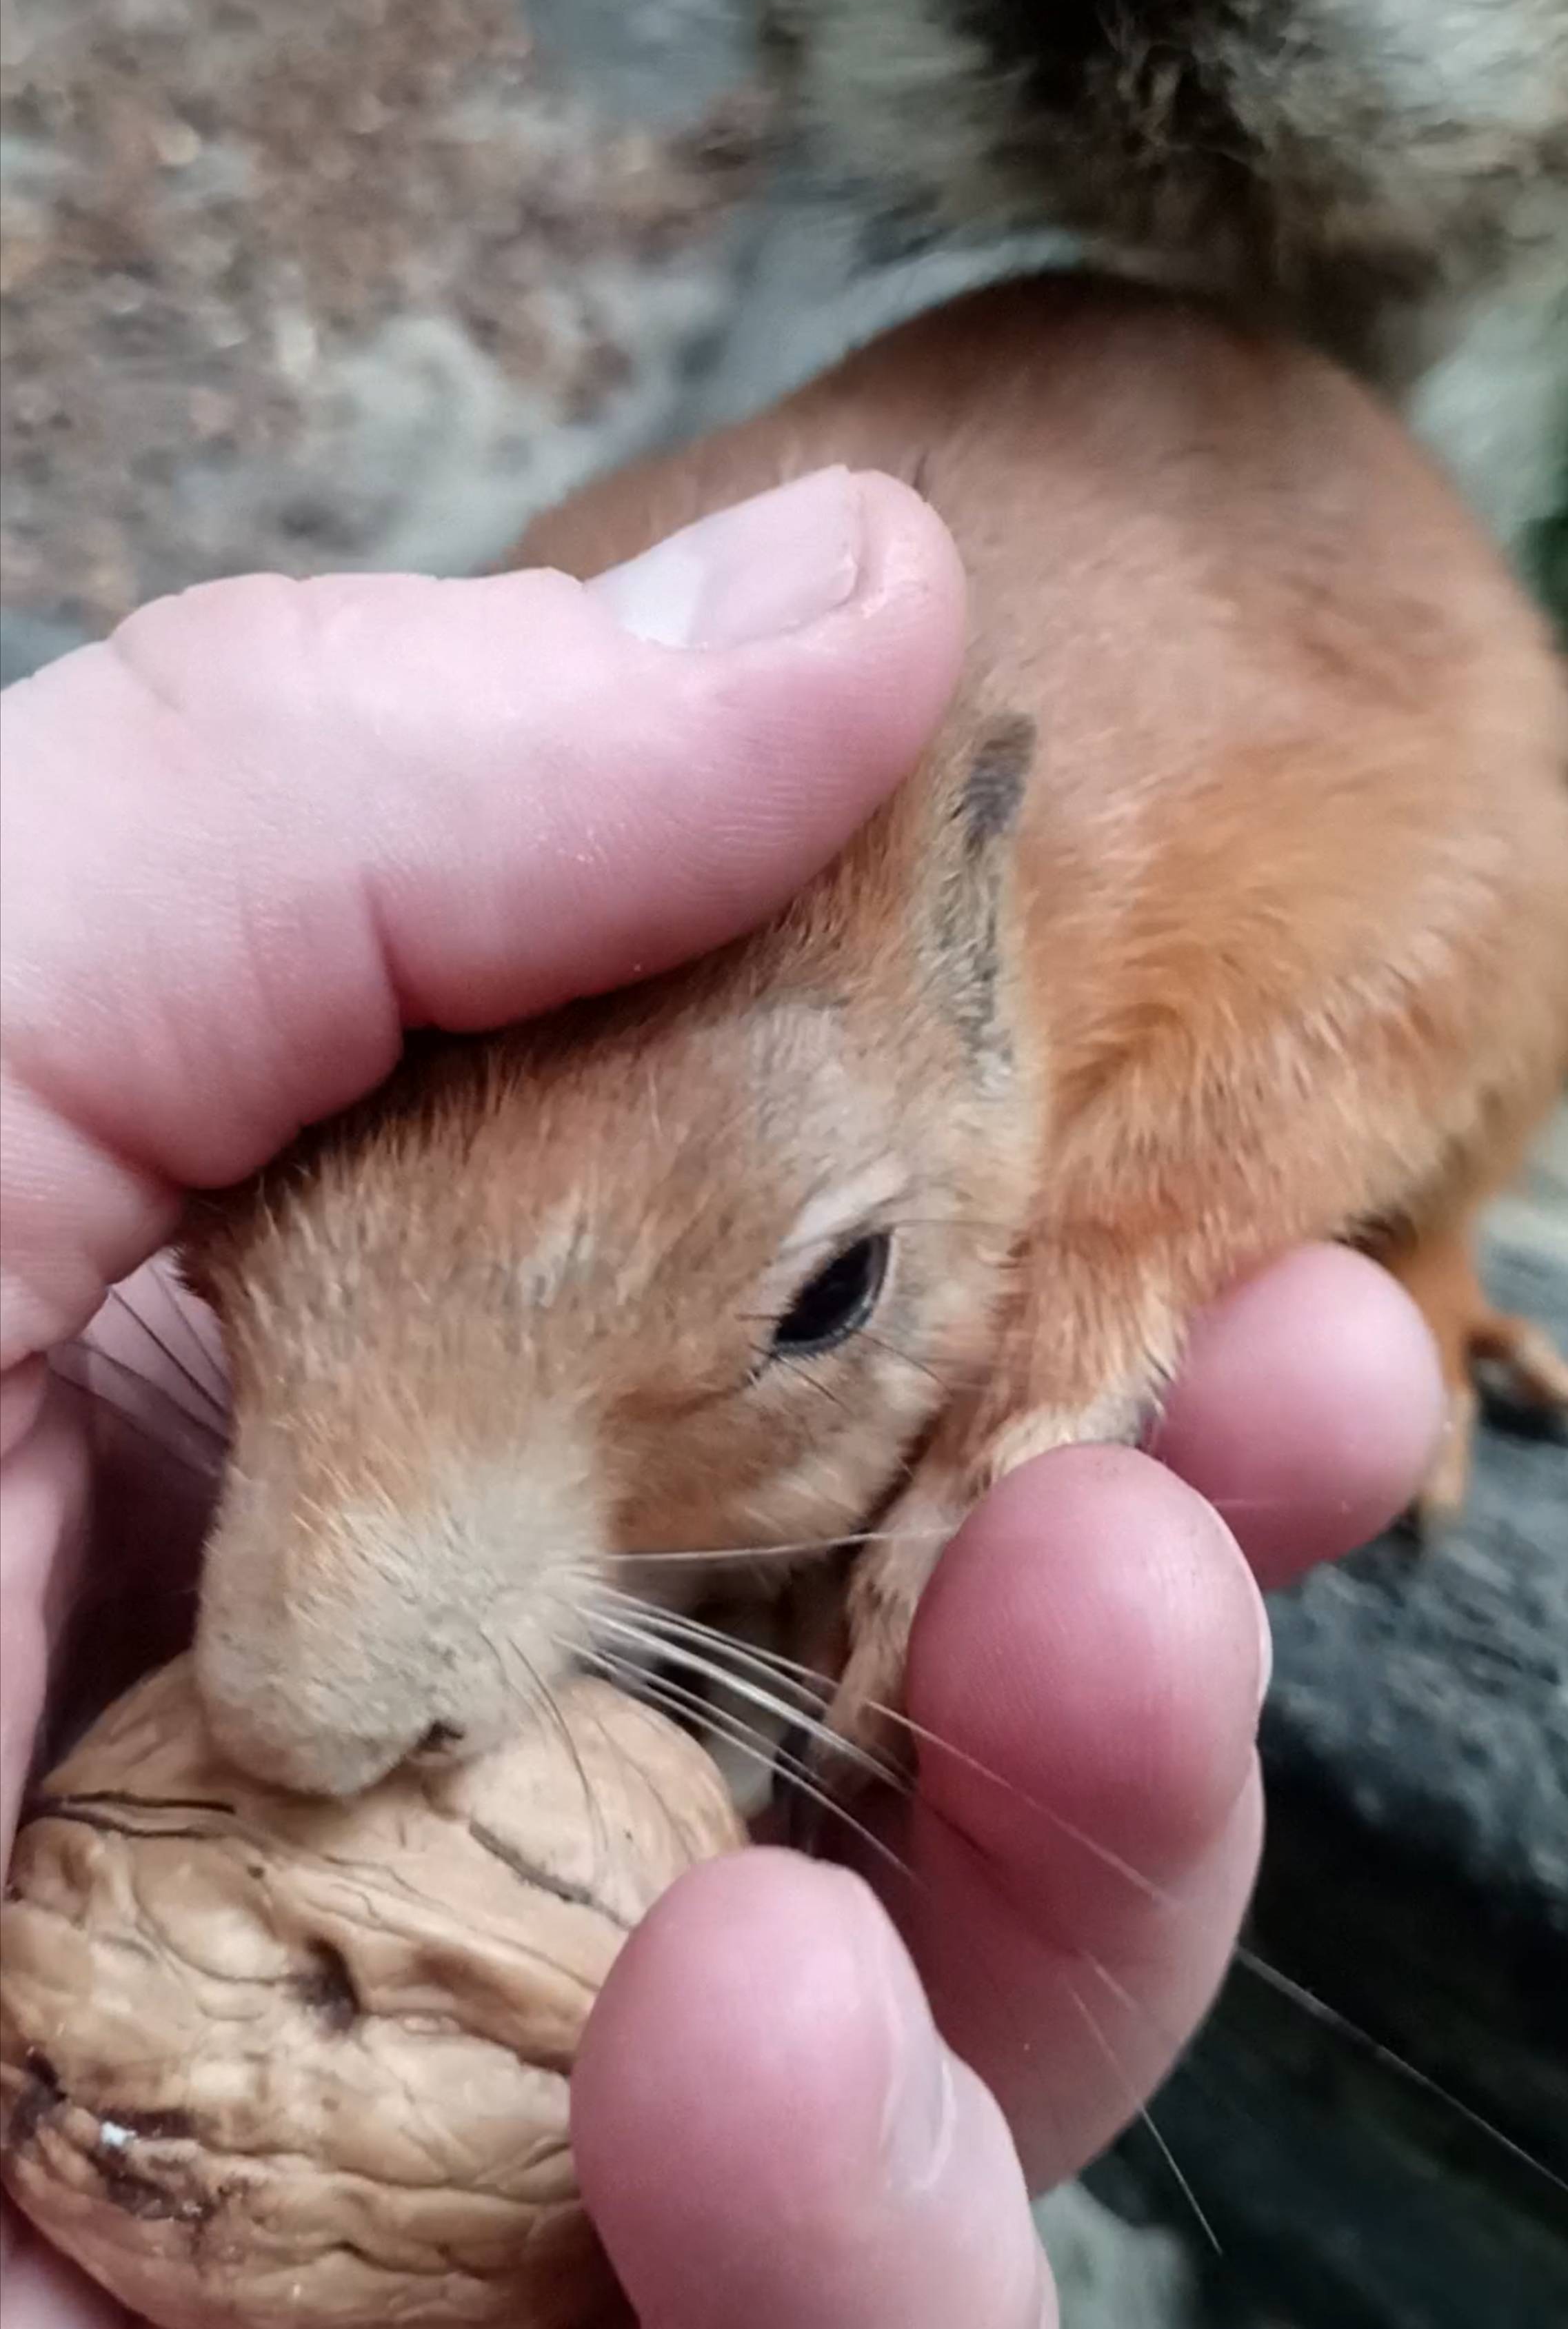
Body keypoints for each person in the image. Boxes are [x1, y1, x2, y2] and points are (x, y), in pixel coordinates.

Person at [1, 467, 1443, 2327]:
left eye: (824, 1294)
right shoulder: (495, 781)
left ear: (973, 960)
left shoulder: (1192, 822)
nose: (285, 1698)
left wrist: (1129, 1254)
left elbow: (1471, 860)